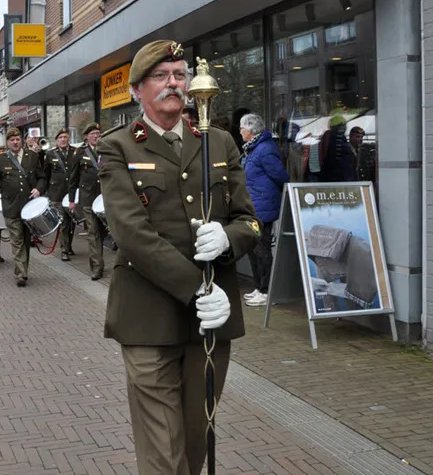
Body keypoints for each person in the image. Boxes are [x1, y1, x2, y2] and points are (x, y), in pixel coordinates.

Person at [97, 40, 260, 475]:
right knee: (163, 449)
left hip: (210, 321)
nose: (174, 83)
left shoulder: (219, 142)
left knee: (194, 440)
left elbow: (250, 221)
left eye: (180, 74)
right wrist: (198, 288)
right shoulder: (118, 148)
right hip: (149, 316)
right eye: (161, 76)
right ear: (136, 90)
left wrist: (227, 239)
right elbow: (132, 236)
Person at [238, 112, 288, 307]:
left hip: (263, 208)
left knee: (261, 249)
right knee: (253, 249)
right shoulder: (253, 148)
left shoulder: (264, 149)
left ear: (250, 131)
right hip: (254, 206)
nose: (240, 131)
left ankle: (267, 290)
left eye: (242, 128)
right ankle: (259, 287)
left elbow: (280, 176)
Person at [0, 128, 47, 287]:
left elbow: (42, 177)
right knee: (17, 240)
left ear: (21, 141)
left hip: (29, 207)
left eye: (18, 139)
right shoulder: (1, 159)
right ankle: (21, 273)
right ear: (7, 142)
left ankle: (22, 268)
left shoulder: (32, 156)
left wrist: (39, 189)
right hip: (11, 207)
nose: (15, 142)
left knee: (26, 240)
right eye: (12, 140)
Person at [69, 123, 105, 279]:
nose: (96, 136)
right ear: (87, 137)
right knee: (93, 233)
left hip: (104, 199)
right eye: (93, 134)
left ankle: (95, 261)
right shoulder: (80, 153)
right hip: (88, 199)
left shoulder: (106, 150)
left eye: (98, 133)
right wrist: (71, 199)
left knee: (102, 233)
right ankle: (97, 267)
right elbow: (73, 178)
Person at [44, 128, 77, 261]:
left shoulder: (75, 152)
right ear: (57, 140)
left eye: (65, 137)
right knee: (63, 222)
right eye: (60, 138)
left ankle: (68, 246)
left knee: (72, 223)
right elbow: (46, 174)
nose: (63, 139)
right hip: (57, 193)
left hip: (71, 194)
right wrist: (46, 193)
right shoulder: (51, 154)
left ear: (68, 138)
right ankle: (64, 249)